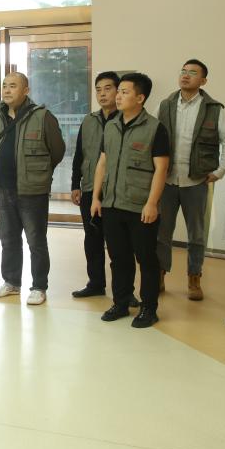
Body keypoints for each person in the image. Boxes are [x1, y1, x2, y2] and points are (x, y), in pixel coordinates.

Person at [90, 72, 170, 328]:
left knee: (146, 259)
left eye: (125, 92)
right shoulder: (111, 125)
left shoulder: (155, 128)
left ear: (140, 98)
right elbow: (102, 163)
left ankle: (149, 308)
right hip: (112, 204)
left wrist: (152, 203)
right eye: (119, 91)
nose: (118, 96)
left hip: (140, 206)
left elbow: (161, 168)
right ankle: (121, 302)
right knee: (118, 258)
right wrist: (96, 197)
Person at [155, 59, 225, 301]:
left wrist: (220, 171)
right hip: (167, 180)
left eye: (192, 72)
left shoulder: (214, 109)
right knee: (161, 233)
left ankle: (194, 277)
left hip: (196, 181)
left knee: (197, 234)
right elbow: (153, 137)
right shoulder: (165, 105)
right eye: (183, 71)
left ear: (203, 80)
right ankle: (159, 275)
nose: (185, 75)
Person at [0, 72, 65, 305]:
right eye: (4, 85)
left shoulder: (42, 116)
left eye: (13, 86)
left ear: (26, 90)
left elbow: (57, 151)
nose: (6, 90)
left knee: (36, 240)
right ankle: (11, 283)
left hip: (32, 190)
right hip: (4, 188)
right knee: (8, 239)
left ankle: (39, 286)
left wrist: (39, 173)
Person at [70, 72, 121, 299]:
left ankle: (124, 291)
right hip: (90, 188)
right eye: (98, 89)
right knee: (92, 239)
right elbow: (79, 154)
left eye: (108, 88)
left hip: (117, 192)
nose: (102, 94)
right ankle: (96, 283)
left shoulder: (126, 119)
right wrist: (75, 184)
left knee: (119, 244)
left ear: (118, 91)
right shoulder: (89, 120)